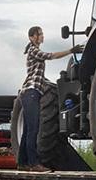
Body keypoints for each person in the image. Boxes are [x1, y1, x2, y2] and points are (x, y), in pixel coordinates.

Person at [19, 26, 82, 172]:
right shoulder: (33, 50)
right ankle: (34, 164)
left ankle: (23, 163)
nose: (42, 36)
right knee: (33, 129)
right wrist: (70, 51)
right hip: (31, 92)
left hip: (31, 93)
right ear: (32, 37)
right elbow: (51, 56)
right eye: (40, 34)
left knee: (28, 129)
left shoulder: (32, 50)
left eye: (42, 34)